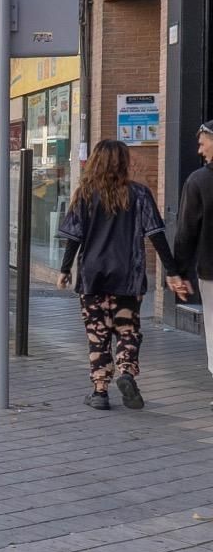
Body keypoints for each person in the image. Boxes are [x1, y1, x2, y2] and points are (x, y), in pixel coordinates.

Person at [58, 139, 181, 411]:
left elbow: (73, 238)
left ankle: (100, 391)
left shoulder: (85, 194)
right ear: (123, 163)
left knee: (97, 334)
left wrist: (65, 269)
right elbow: (156, 235)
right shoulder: (139, 194)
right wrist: (172, 271)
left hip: (92, 277)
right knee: (128, 330)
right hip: (128, 276)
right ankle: (126, 372)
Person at [168, 120, 213, 376]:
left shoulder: (199, 181)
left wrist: (179, 272)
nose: (199, 150)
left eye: (202, 143)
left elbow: (186, 231)